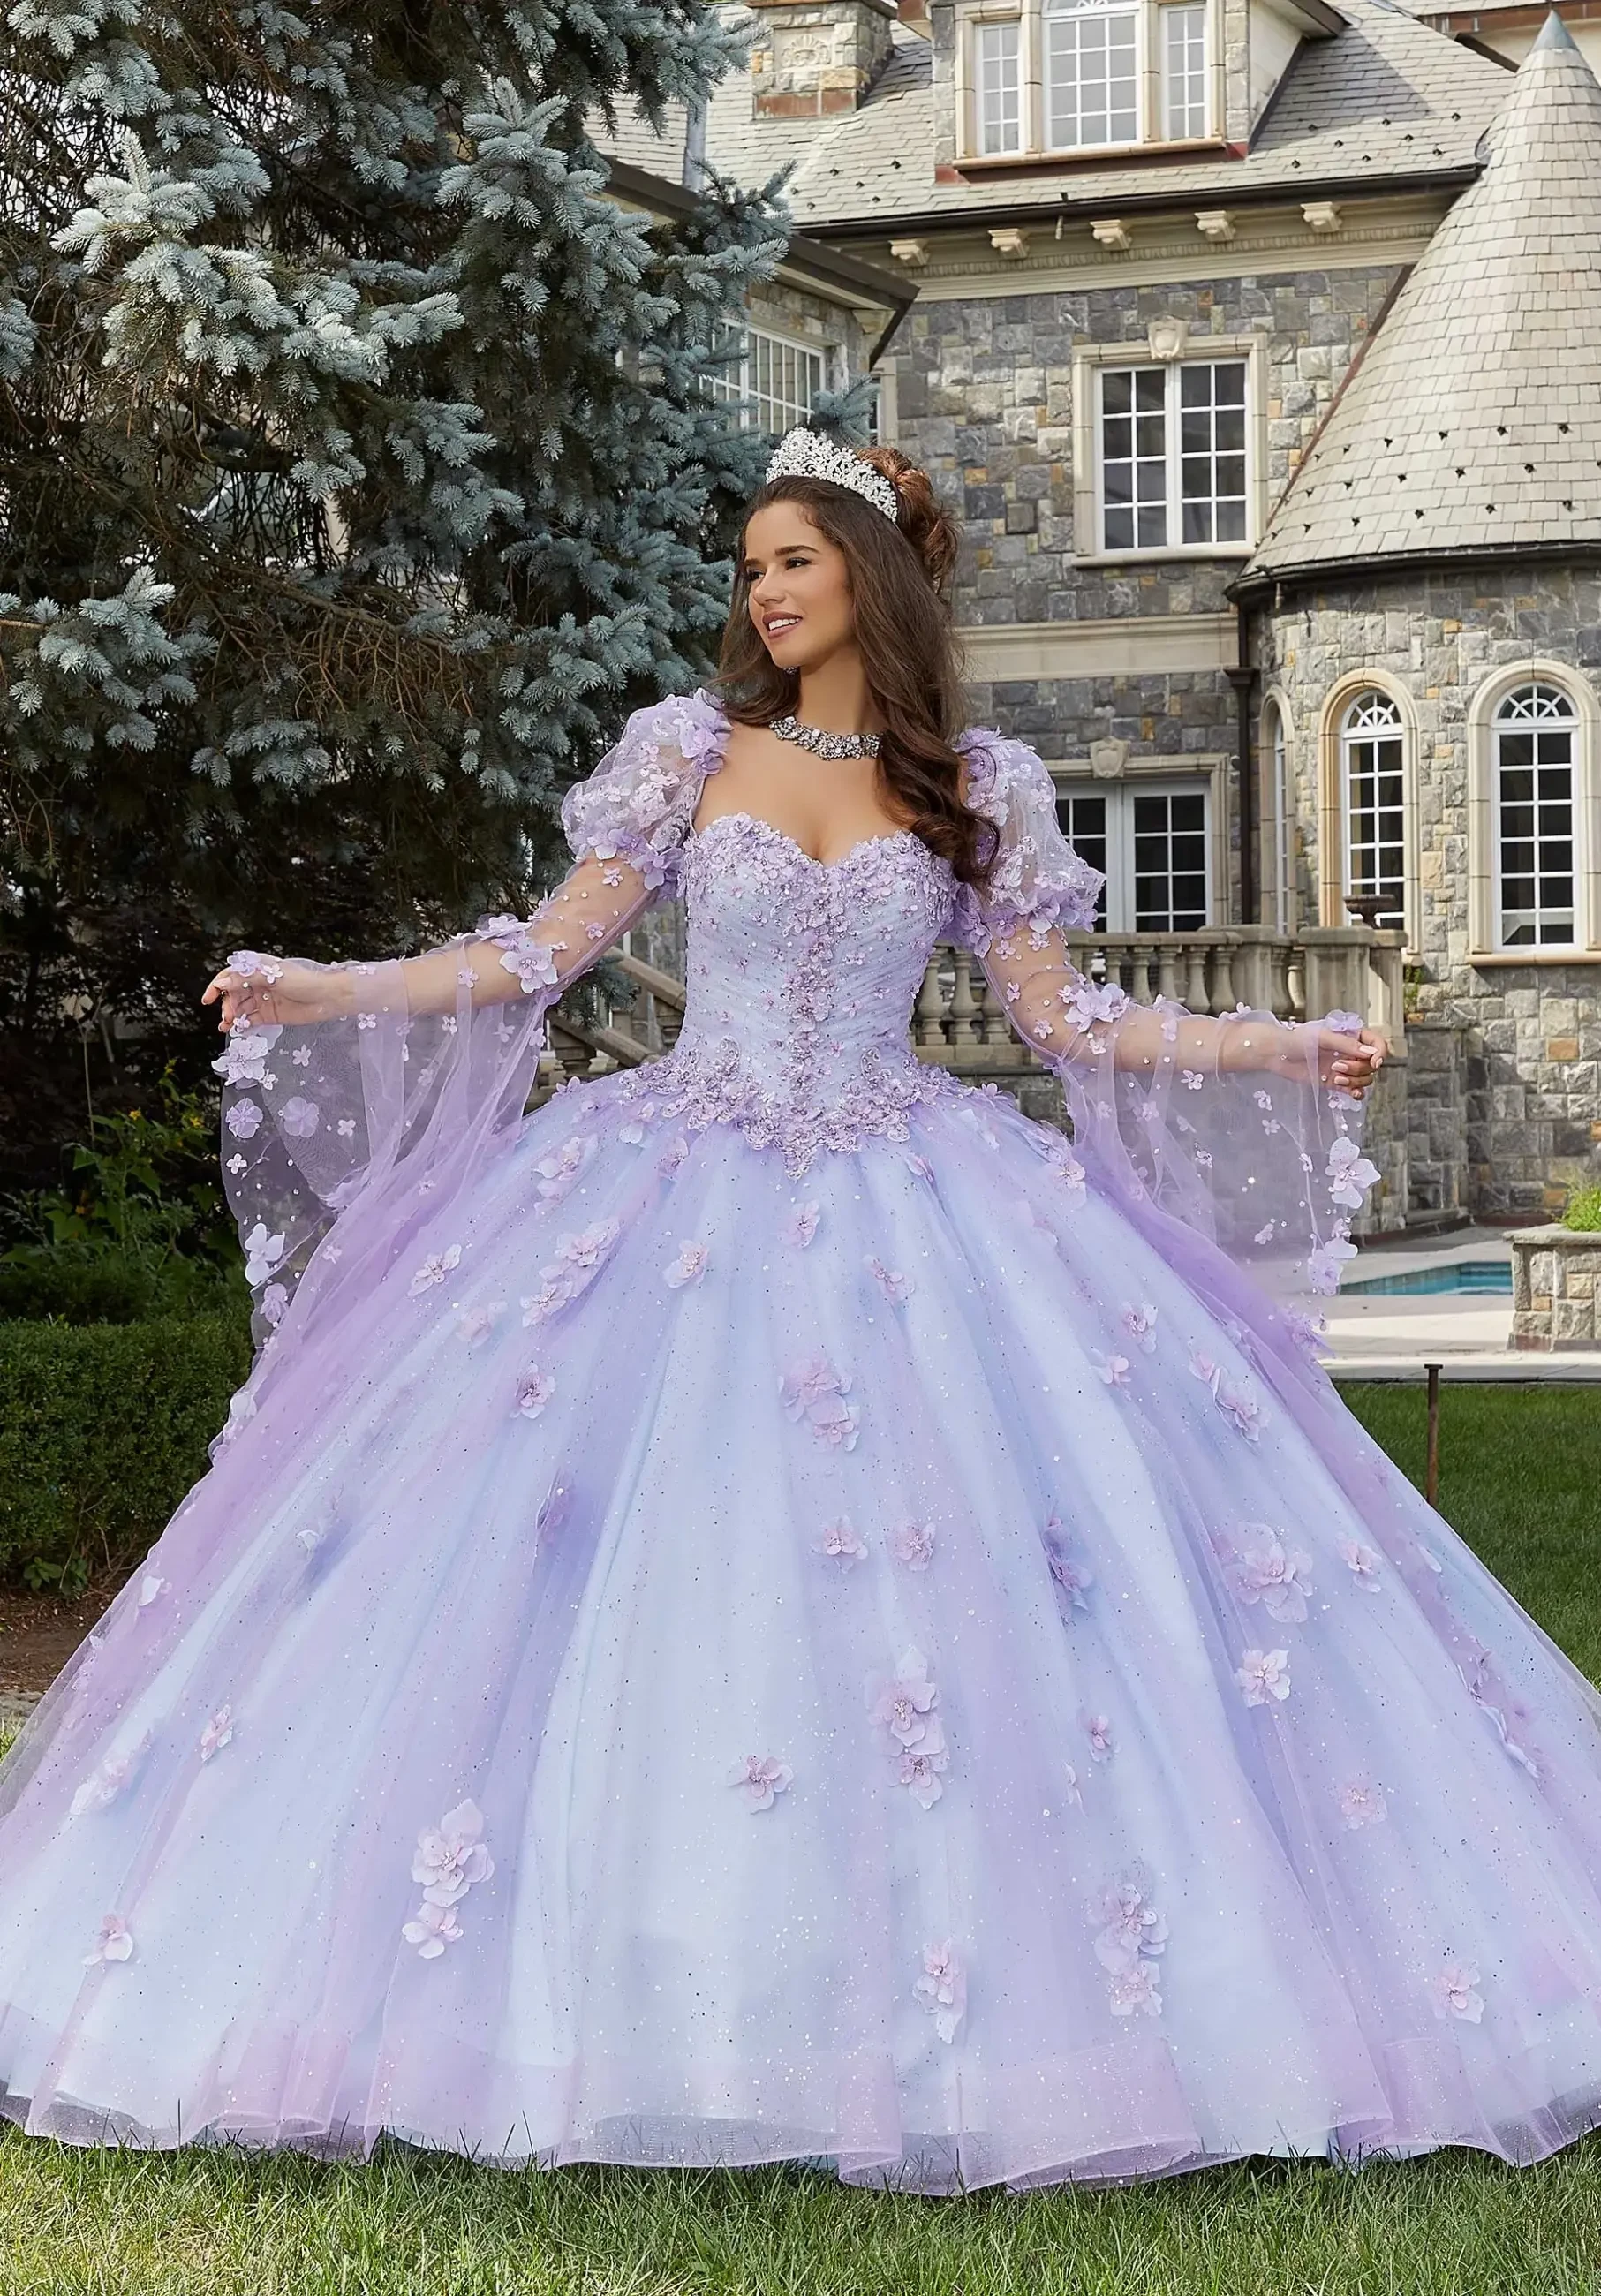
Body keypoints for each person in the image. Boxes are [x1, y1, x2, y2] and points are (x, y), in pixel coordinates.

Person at [1, 429, 1599, 2199]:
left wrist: (1274, 1042)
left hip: (922, 1196)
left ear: (869, 572)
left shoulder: (973, 783)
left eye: (794, 562)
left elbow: (1068, 1019)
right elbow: (540, 953)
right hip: (672, 1189)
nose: (762, 593)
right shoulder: (690, 754)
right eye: (751, 567)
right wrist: (329, 984)